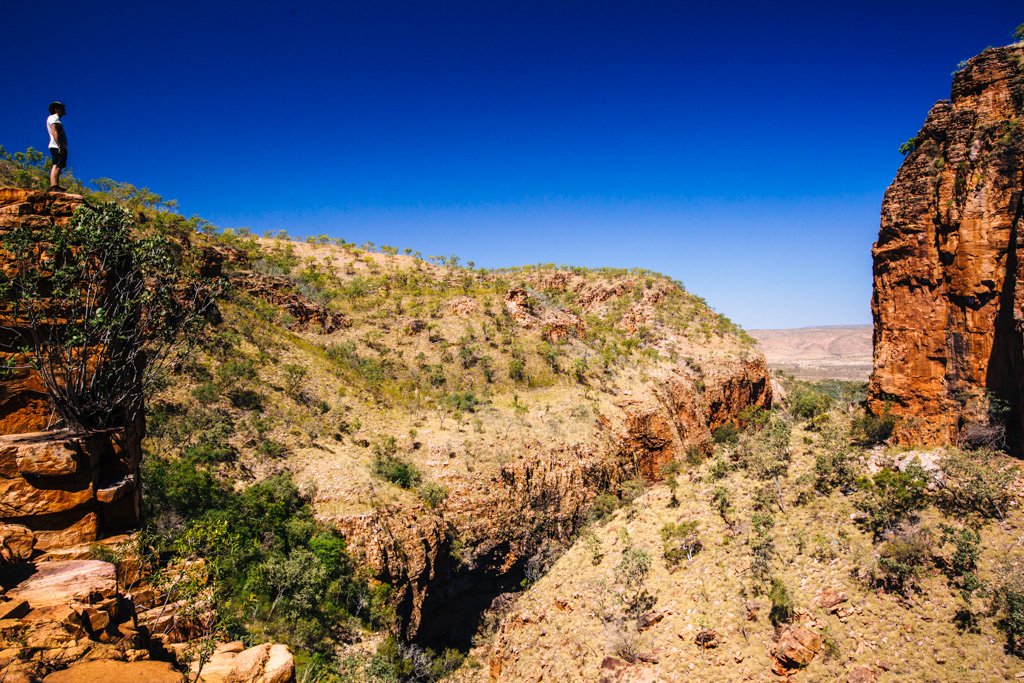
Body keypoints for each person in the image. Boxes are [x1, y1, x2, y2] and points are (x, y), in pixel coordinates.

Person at [46, 101, 68, 191]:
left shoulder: (56, 119)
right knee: (56, 165)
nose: (63, 109)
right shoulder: (53, 118)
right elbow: (54, 131)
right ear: (56, 109)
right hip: (57, 146)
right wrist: (60, 146)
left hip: (59, 146)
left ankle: (56, 185)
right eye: (61, 108)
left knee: (59, 166)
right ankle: (54, 186)